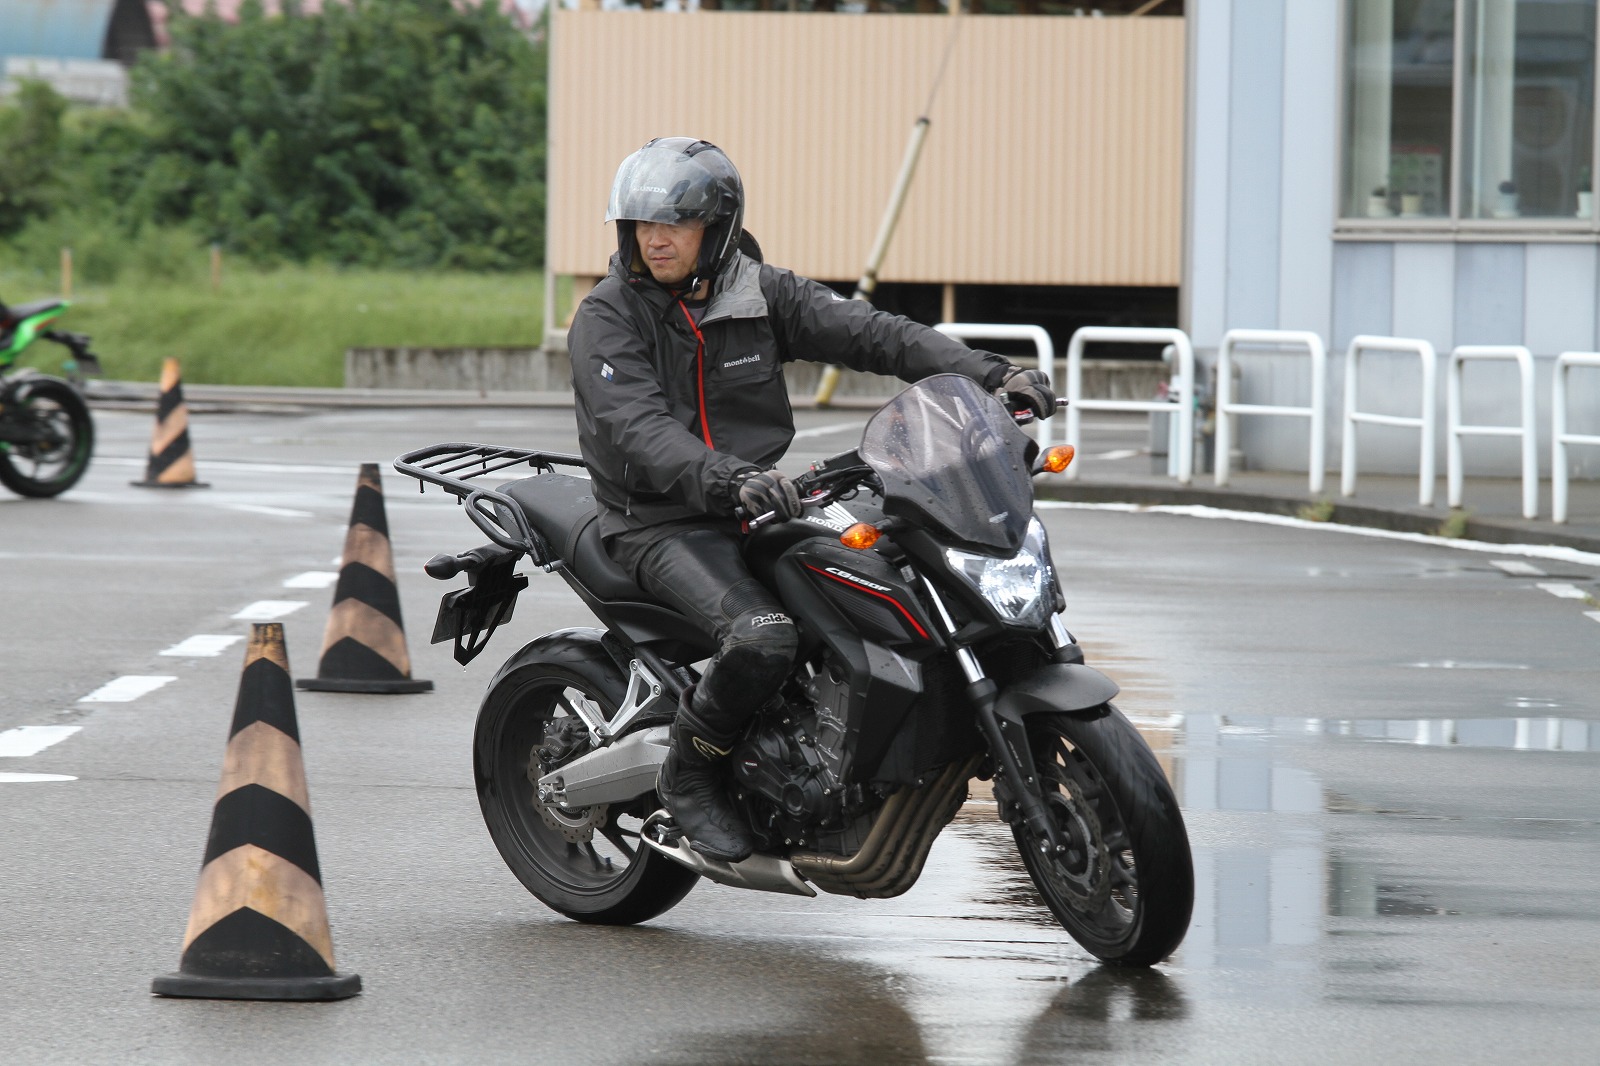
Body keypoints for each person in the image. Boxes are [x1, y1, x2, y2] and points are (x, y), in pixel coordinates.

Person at [568, 137, 1057, 863]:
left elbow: (877, 335)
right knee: (763, 636)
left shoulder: (759, 293)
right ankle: (689, 775)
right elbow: (639, 429)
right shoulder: (609, 316)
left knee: (894, 584)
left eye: (675, 222)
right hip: (661, 521)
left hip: (761, 501)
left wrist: (990, 376)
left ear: (719, 229)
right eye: (642, 223)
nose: (655, 239)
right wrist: (726, 477)